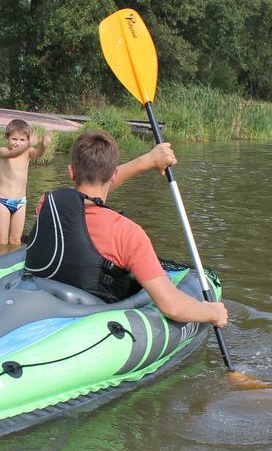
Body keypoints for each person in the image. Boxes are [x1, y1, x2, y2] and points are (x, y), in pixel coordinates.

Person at [24, 130, 228, 326]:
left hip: (42, 304)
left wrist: (147, 161)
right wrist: (213, 313)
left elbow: (81, 193)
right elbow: (171, 306)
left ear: (70, 171)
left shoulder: (46, 203)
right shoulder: (127, 233)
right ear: (113, 174)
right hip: (92, 320)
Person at [0, 119, 51, 247]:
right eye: (14, 139)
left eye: (22, 140)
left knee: (16, 240)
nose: (18, 143)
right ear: (7, 138)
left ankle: (12, 264)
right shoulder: (3, 151)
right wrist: (28, 144)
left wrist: (43, 145)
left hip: (21, 201)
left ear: (27, 140)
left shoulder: (28, 151)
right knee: (2, 241)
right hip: (3, 201)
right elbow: (12, 154)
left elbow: (38, 153)